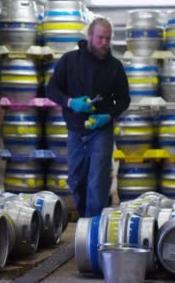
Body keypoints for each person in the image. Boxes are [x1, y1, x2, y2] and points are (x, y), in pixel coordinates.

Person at [46, 17, 130, 217]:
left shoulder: (114, 66)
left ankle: (92, 226)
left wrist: (107, 117)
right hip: (75, 130)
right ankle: (86, 217)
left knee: (97, 181)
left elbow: (124, 99)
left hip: (101, 131)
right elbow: (51, 90)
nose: (104, 43)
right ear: (90, 36)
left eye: (108, 39)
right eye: (100, 38)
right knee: (76, 179)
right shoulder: (69, 61)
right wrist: (71, 102)